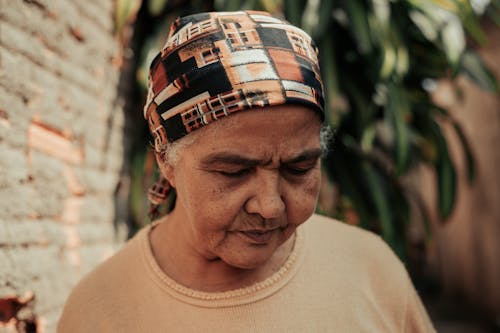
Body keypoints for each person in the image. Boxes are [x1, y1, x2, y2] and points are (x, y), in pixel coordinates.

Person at [58, 10, 435, 332]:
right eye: (233, 171)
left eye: (299, 167)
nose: (270, 207)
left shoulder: (371, 269)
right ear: (166, 160)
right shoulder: (98, 310)